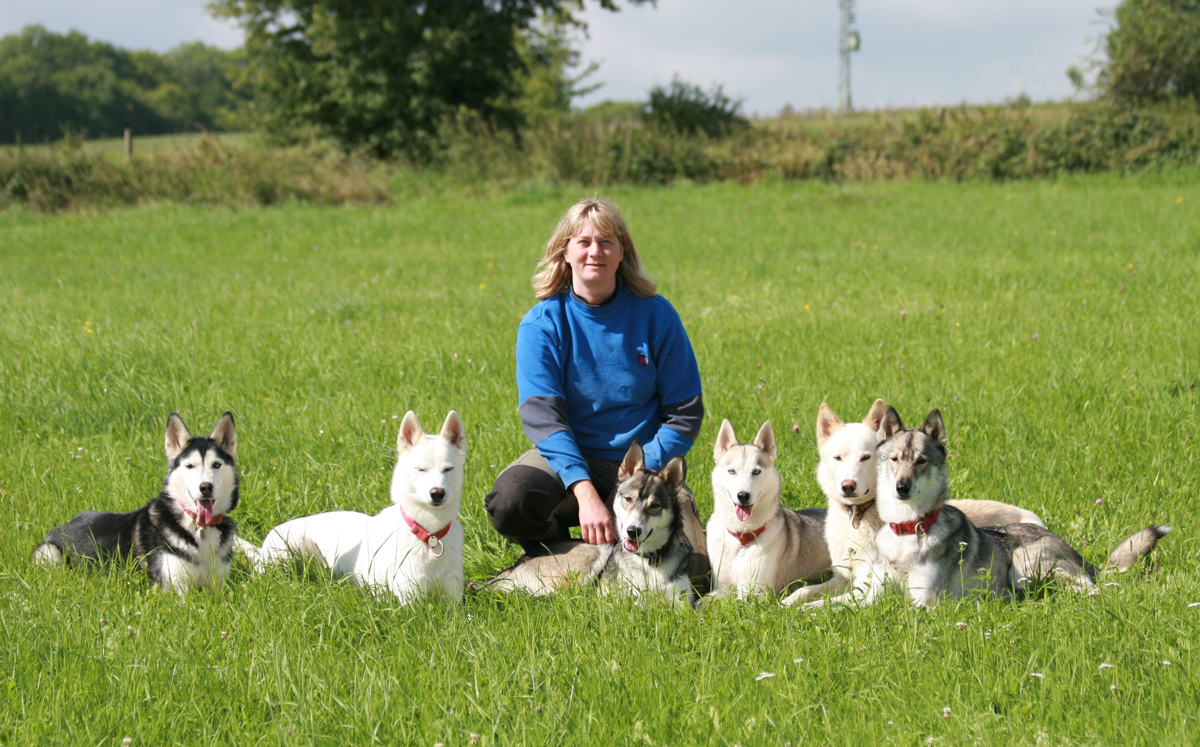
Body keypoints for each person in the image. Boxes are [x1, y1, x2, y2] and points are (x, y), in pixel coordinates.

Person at [484, 197, 709, 590]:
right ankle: (572, 558)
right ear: (564, 251)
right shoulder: (542, 323)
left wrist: (638, 481)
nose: (595, 251)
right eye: (583, 241)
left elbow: (685, 412)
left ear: (623, 251)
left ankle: (615, 551)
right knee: (511, 500)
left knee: (700, 574)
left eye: (606, 241)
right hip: (573, 459)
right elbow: (543, 418)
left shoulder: (656, 315)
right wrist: (586, 492)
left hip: (642, 467)